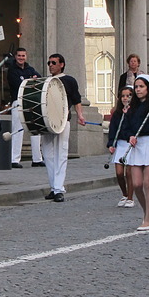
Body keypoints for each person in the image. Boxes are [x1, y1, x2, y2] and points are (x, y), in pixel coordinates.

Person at [122, 75, 149, 231]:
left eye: (141, 86)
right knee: (137, 184)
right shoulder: (131, 108)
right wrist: (129, 136)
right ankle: (147, 212)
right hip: (136, 146)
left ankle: (148, 219)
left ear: (148, 88)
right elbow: (125, 127)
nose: (138, 89)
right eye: (136, 87)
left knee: (147, 183)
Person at [42, 54, 86, 203]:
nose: (50, 65)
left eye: (53, 62)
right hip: (47, 122)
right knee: (47, 155)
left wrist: (80, 115)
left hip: (63, 121)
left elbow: (76, 99)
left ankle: (59, 189)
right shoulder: (47, 81)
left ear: (62, 64)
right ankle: (54, 187)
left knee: (60, 153)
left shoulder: (69, 80)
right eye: (49, 63)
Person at [6, 48, 44, 168]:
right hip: (18, 101)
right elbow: (18, 84)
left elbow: (39, 79)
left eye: (23, 56)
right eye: (19, 56)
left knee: (36, 129)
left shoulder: (30, 69)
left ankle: (37, 159)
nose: (21, 58)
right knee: (17, 129)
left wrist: (31, 80)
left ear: (26, 57)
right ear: (15, 57)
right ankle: (14, 159)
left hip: (31, 101)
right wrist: (30, 81)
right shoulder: (12, 70)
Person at [107, 86, 135, 208]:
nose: (125, 98)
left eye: (128, 96)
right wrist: (111, 144)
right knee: (119, 173)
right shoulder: (117, 113)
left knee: (129, 172)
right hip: (120, 144)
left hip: (130, 144)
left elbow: (133, 127)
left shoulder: (134, 112)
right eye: (123, 96)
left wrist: (128, 114)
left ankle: (130, 197)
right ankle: (124, 194)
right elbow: (113, 129)